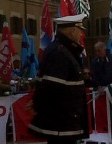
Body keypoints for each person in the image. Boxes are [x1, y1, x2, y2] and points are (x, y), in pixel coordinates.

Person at [29, 14, 89, 143]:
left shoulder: (62, 50)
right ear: (73, 31)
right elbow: (51, 86)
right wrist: (39, 104)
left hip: (65, 119)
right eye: (80, 31)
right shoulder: (60, 52)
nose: (81, 35)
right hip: (62, 120)